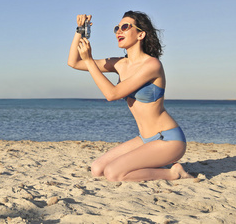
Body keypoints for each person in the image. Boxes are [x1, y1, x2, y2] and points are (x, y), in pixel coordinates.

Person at [68, 11, 193, 182]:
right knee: (97, 169)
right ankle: (153, 163)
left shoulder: (152, 65)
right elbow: (74, 62)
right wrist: (79, 31)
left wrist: (90, 61)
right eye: (117, 28)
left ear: (141, 34)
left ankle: (174, 173)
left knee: (113, 173)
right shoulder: (120, 64)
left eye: (125, 27)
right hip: (145, 139)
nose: (119, 31)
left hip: (168, 140)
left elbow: (112, 94)